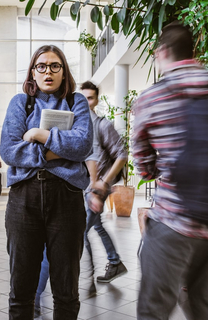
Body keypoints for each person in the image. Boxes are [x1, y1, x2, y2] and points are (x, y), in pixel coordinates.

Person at [0, 45, 93, 319]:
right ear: (32, 71)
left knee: (66, 291)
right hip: (23, 199)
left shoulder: (77, 102)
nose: (48, 71)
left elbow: (83, 145)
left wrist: (40, 134)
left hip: (66, 198)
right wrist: (57, 153)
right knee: (21, 291)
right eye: (41, 66)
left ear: (64, 72)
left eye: (55, 66)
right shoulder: (20, 102)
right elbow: (8, 150)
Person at [133, 22, 208, 320]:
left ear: (162, 51)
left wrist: (154, 170)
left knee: (154, 308)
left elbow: (143, 163)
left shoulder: (152, 98)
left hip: (173, 221)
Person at [81, 81, 128, 285]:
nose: (86, 102)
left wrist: (103, 183)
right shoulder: (79, 125)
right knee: (97, 226)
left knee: (80, 231)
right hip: (85, 188)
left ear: (96, 100)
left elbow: (122, 155)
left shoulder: (102, 124)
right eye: (82, 98)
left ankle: (88, 277)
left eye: (90, 98)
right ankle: (115, 262)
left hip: (98, 189)